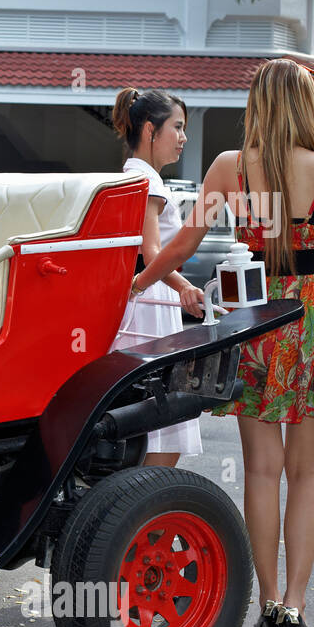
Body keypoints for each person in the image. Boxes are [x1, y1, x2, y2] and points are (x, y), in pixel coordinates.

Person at [131, 58, 314, 627]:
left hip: (256, 315)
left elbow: (184, 242)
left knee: (260, 469)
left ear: (258, 105)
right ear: (308, 107)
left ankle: (266, 601)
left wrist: (131, 285)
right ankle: (295, 607)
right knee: (308, 472)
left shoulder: (232, 167)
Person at [110, 88, 204, 465]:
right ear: (150, 130)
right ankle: (143, 515)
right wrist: (186, 288)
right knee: (165, 428)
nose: (184, 138)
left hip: (143, 301)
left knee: (145, 426)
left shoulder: (129, 176)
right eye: (177, 128)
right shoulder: (148, 183)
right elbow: (151, 253)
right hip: (149, 305)